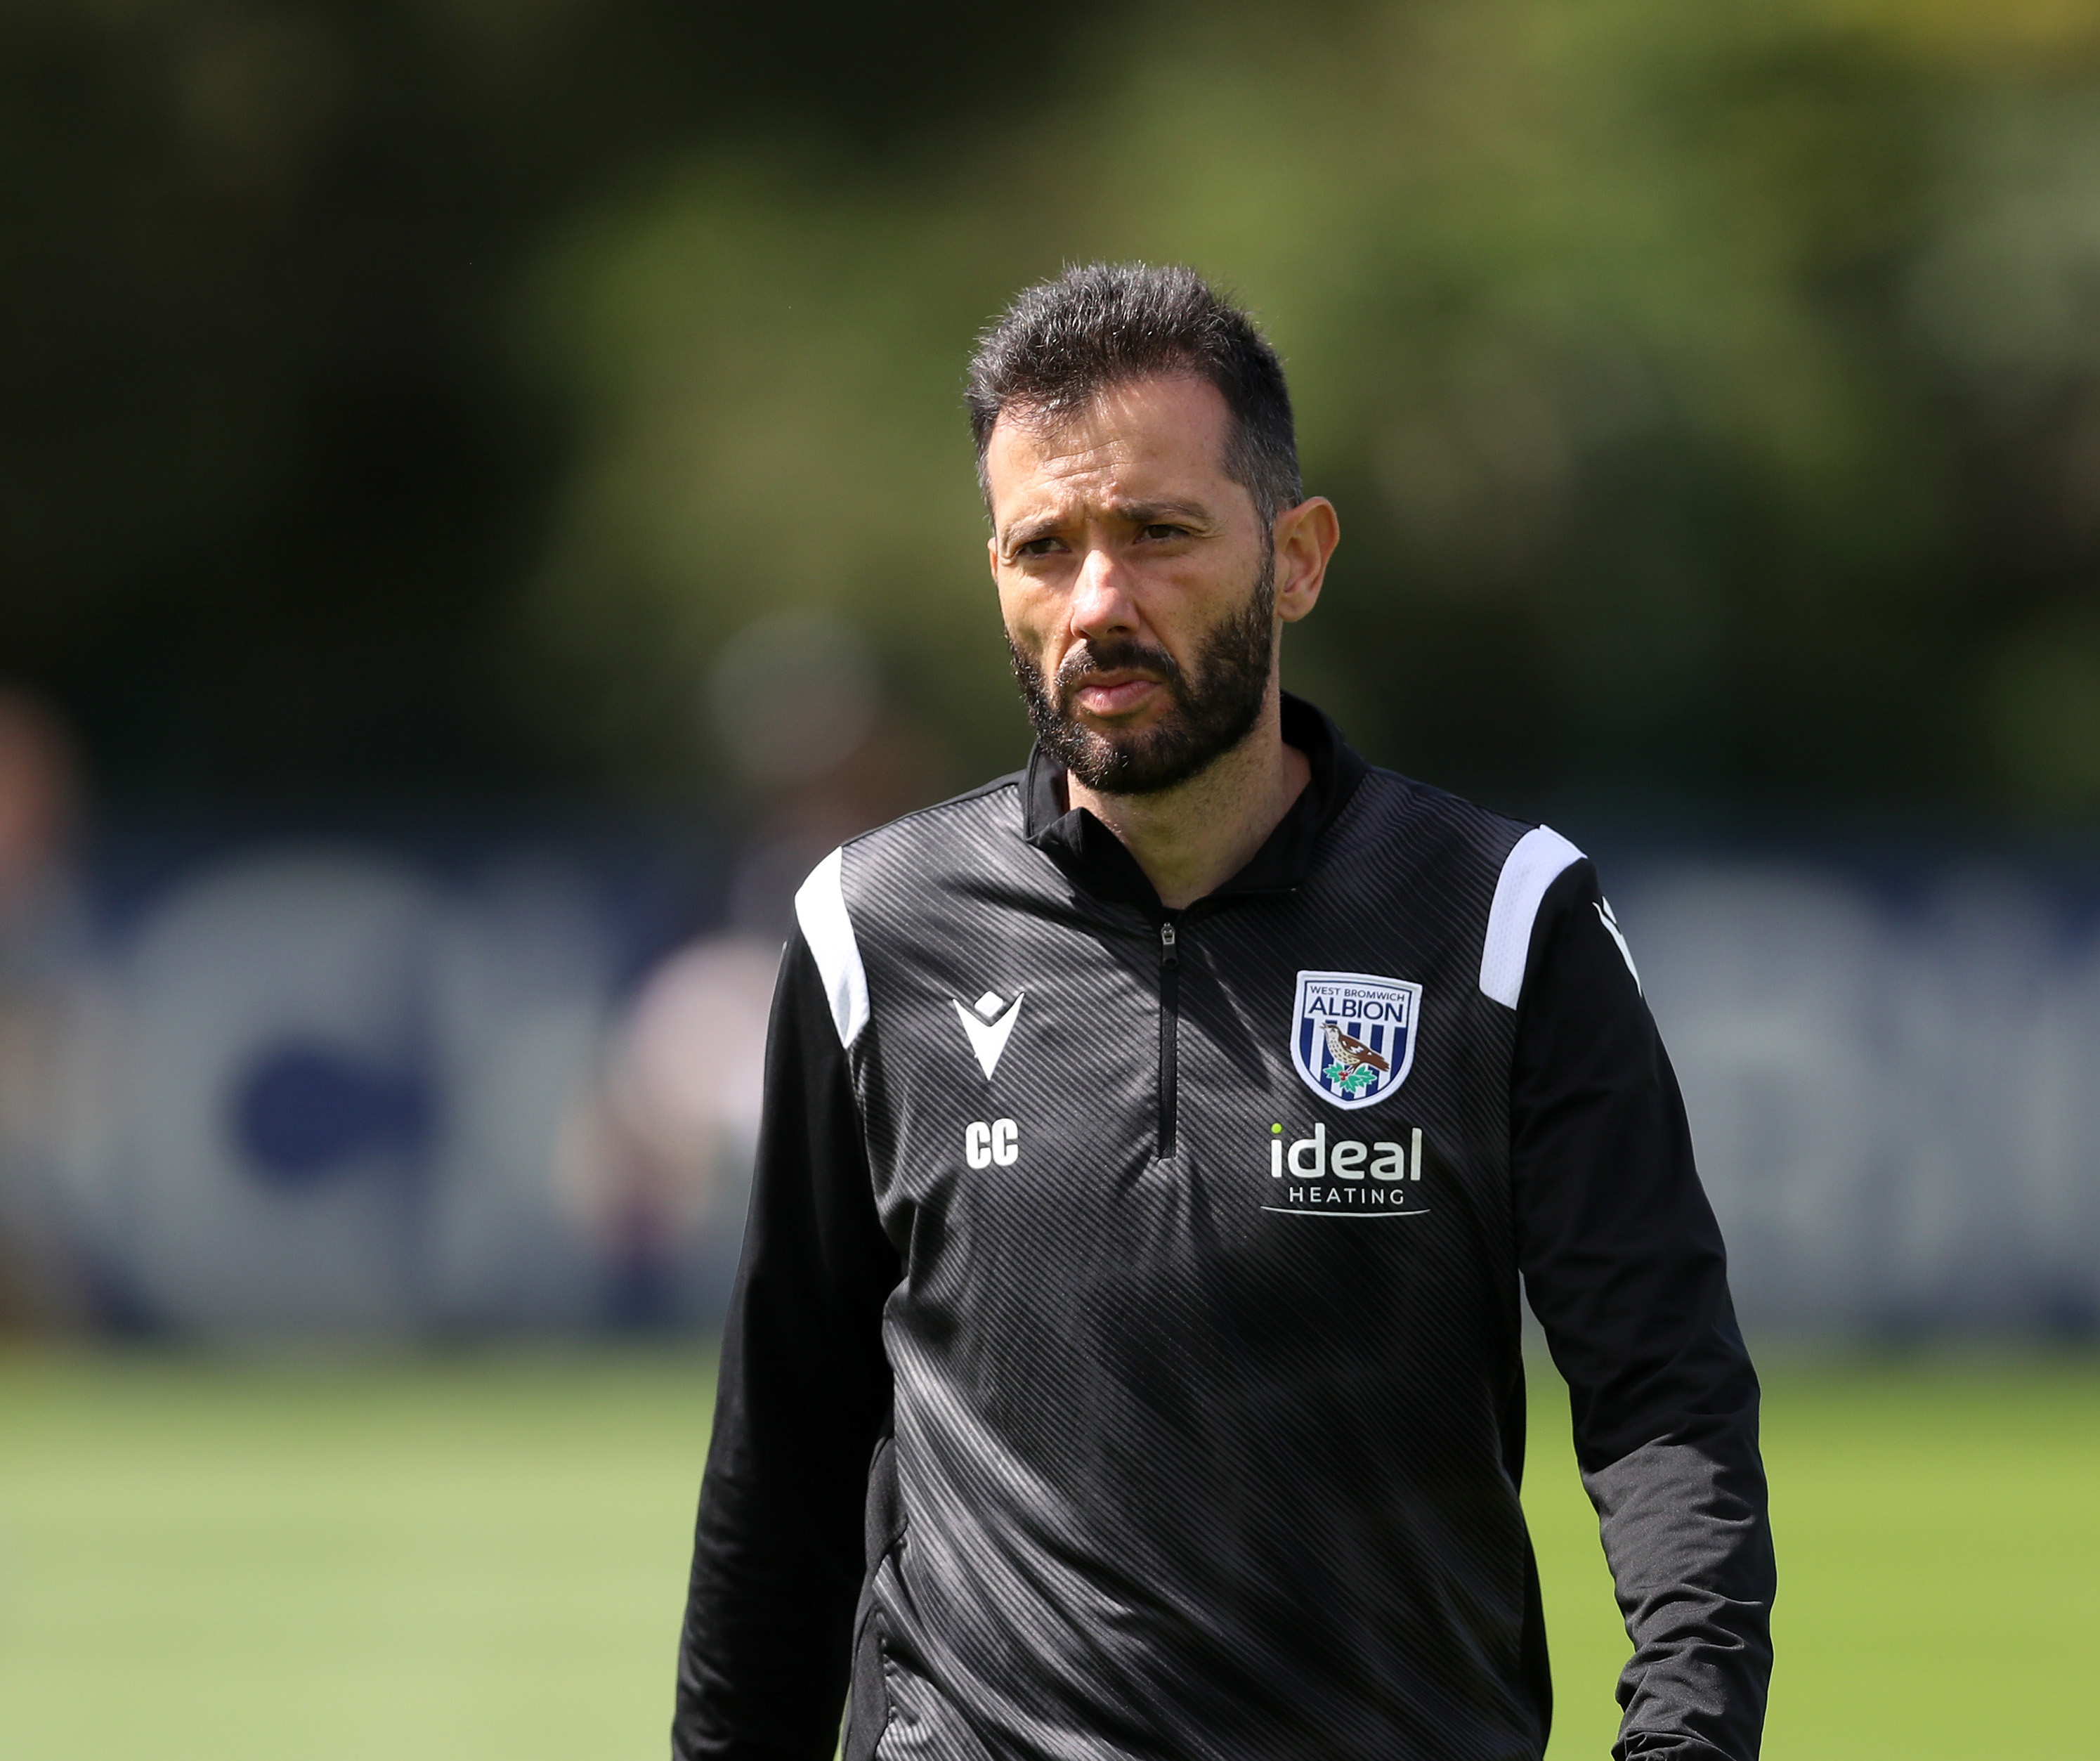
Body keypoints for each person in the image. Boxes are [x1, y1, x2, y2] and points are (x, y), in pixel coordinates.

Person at [674, 264, 1773, 1761]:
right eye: (1043, 547)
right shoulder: (870, 930)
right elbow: (784, 1463)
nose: (1098, 603)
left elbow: (1666, 1402)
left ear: (1300, 556)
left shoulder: (1508, 921)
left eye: (1159, 532)